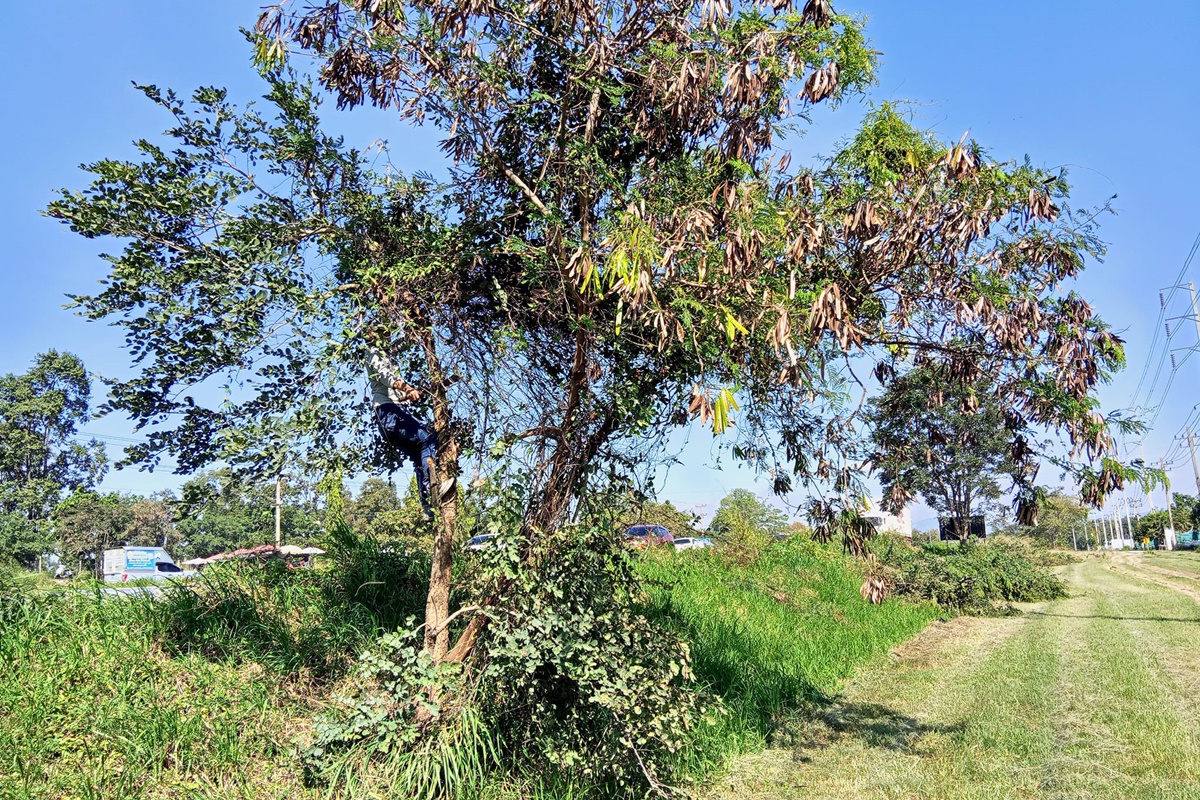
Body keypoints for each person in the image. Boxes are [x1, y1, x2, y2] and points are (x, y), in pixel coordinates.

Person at [368, 347, 446, 516]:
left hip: (392, 414)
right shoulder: (374, 352)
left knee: (420, 455)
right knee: (428, 437)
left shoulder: (387, 352)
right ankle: (433, 486)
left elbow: (393, 381)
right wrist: (408, 389)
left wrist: (408, 395)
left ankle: (428, 508)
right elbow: (385, 377)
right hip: (387, 412)